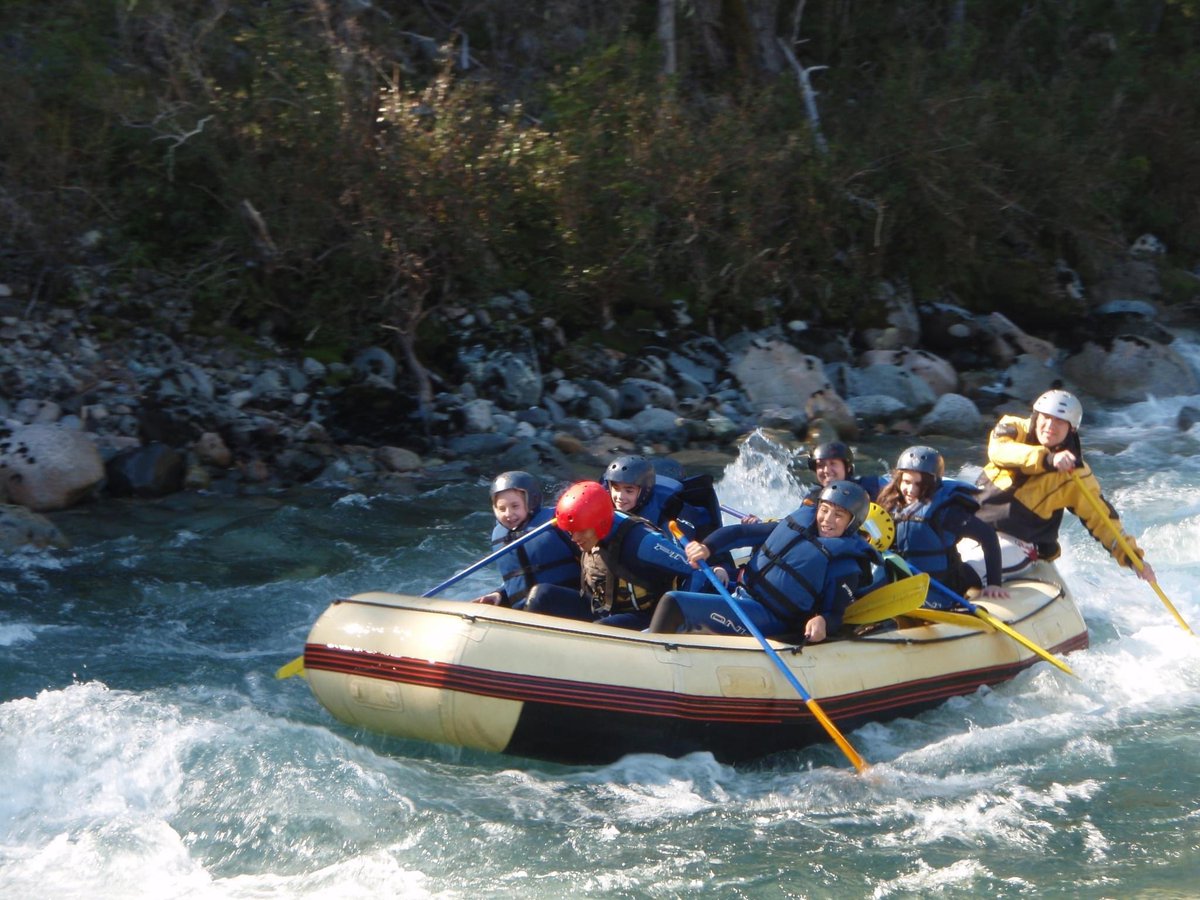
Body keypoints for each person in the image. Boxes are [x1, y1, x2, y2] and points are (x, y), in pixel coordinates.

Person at [648, 481, 880, 641]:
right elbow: (740, 534)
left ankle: (650, 659)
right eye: (825, 510)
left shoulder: (845, 565)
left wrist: (823, 623)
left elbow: (834, 614)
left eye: (838, 515)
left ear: (852, 522)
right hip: (741, 593)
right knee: (695, 576)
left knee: (674, 602)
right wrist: (707, 547)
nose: (827, 520)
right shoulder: (797, 523)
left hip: (771, 619)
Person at [975, 389, 1157, 582]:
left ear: (1071, 429)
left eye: (1060, 421)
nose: (1050, 426)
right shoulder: (1012, 427)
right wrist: (1048, 459)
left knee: (967, 571)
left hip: (1019, 543)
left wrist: (1132, 557)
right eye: (1046, 417)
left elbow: (1102, 520)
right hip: (972, 523)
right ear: (1036, 416)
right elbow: (999, 451)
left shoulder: (1076, 474)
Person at [523, 480, 705, 629]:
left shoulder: (642, 541)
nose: (574, 538)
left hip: (645, 618)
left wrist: (672, 626)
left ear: (598, 524)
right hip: (601, 607)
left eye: (580, 531)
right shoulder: (584, 530)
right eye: (571, 531)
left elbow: (696, 571)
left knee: (599, 629)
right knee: (541, 595)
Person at [874, 446, 1009, 600]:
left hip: (946, 584)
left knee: (969, 573)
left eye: (919, 484)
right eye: (906, 482)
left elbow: (988, 536)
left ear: (933, 483)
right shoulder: (889, 504)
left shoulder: (948, 512)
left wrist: (994, 583)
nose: (910, 490)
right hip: (901, 582)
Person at [471, 471, 580, 608]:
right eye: (501, 509)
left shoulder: (557, 523)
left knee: (541, 593)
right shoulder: (500, 535)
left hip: (572, 603)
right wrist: (500, 594)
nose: (508, 514)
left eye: (515, 506)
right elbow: (517, 580)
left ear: (532, 501)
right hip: (529, 612)